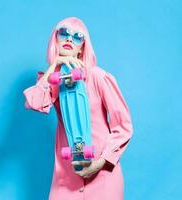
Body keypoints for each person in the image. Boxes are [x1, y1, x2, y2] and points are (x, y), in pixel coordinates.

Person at [23, 17, 134, 200]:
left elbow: (123, 126)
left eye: (77, 37)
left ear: (82, 46)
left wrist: (99, 164)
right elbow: (34, 103)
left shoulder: (98, 77)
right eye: (64, 33)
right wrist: (54, 67)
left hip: (102, 174)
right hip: (66, 179)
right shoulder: (52, 80)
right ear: (55, 39)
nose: (69, 39)